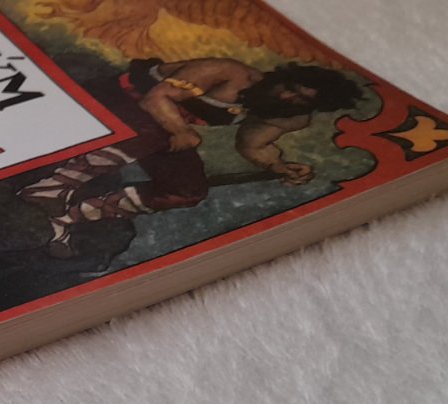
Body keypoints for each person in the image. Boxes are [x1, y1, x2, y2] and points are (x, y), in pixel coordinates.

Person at [20, 58, 364, 260]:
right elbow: (156, 99)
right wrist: (180, 130)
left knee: (187, 190)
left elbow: (252, 145)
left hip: (162, 130)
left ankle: (69, 217)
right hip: (117, 99)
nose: (289, 98)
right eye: (290, 88)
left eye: (301, 100)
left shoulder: (287, 116)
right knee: (155, 133)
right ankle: (50, 189)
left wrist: (278, 166)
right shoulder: (228, 72)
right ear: (283, 77)